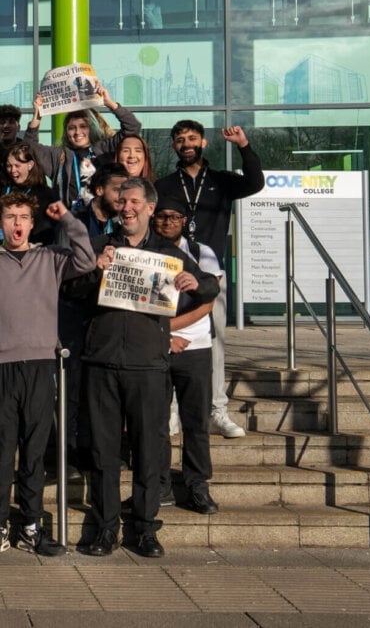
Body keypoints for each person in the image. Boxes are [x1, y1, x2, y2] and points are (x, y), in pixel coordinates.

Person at [68, 177, 219, 559]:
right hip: (100, 363)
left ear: (150, 208)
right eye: (122, 201)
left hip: (149, 366)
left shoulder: (168, 254)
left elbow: (209, 288)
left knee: (150, 451)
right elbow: (69, 291)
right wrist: (92, 272)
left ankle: (146, 528)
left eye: (134, 201)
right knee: (103, 452)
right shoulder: (100, 246)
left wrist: (194, 282)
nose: (127, 208)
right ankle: (104, 528)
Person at [0, 191, 95, 557]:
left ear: (32, 223)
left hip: (40, 363)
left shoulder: (49, 257)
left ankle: (31, 524)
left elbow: (87, 260)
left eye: (23, 217)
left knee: (33, 449)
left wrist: (67, 220)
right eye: (10, 216)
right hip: (0, 366)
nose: (17, 223)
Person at [155, 121, 264, 440]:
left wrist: (244, 145)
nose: (186, 144)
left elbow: (255, 182)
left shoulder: (221, 181)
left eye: (191, 138)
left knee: (214, 342)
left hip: (210, 273)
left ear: (202, 142)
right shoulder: (164, 185)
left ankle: (218, 411)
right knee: (168, 340)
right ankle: (171, 412)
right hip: (169, 272)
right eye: (179, 140)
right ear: (174, 146)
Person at [152, 196, 221, 516]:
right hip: (157, 346)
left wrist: (172, 331)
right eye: (162, 217)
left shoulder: (200, 253)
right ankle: (161, 485)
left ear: (185, 221)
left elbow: (207, 302)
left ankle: (197, 485)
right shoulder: (146, 251)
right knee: (156, 423)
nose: (167, 222)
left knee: (195, 422)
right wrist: (165, 337)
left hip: (194, 347)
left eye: (174, 217)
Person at [33, 85, 140, 210]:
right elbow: (29, 148)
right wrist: (37, 116)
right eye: (72, 128)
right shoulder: (58, 156)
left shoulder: (104, 148)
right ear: (66, 132)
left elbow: (133, 127)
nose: (78, 132)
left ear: (92, 128)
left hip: (103, 221)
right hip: (71, 221)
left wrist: (110, 103)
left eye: (83, 126)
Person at [72, 163, 129, 239]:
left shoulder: (124, 224)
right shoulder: (74, 221)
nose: (122, 196)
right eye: (117, 190)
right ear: (99, 190)